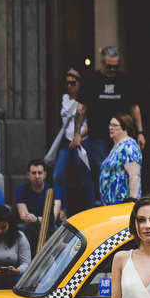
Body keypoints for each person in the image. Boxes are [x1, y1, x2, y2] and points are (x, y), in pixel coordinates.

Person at [73, 46, 144, 192]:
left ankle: (125, 198)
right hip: (98, 134)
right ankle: (105, 200)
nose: (112, 69)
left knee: (126, 169)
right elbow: (81, 109)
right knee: (103, 170)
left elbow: (134, 108)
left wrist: (140, 132)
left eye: (116, 66)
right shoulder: (92, 81)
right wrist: (77, 133)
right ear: (102, 63)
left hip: (122, 136)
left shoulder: (124, 81)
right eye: (109, 66)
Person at [53, 67, 95, 212]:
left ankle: (91, 208)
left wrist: (79, 137)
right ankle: (62, 208)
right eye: (67, 83)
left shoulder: (84, 99)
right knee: (58, 174)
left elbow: (91, 124)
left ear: (79, 83)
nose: (70, 86)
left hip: (81, 141)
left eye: (73, 83)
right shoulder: (64, 98)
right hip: (67, 141)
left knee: (85, 177)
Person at [15, 160, 64, 250]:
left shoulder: (54, 190)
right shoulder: (21, 190)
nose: (37, 176)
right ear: (28, 174)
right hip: (30, 227)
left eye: (39, 173)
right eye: (34, 173)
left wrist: (36, 219)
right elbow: (23, 216)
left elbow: (52, 218)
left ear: (44, 174)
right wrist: (35, 219)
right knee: (26, 229)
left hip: (51, 228)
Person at [99, 113, 143, 206]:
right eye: (110, 125)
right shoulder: (117, 146)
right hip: (111, 203)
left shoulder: (128, 146)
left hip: (122, 203)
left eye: (115, 125)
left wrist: (132, 201)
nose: (111, 128)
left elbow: (134, 176)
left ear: (125, 129)